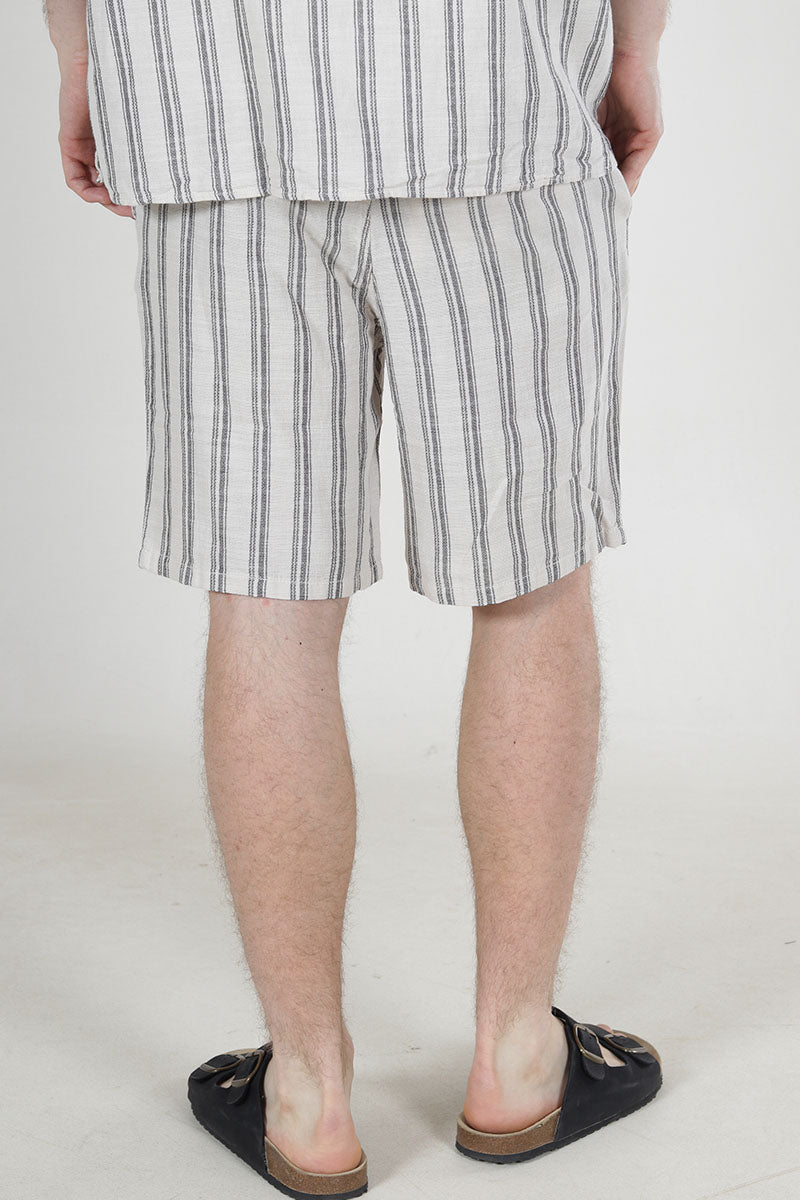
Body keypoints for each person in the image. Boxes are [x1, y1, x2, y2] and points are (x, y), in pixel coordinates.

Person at [46, 1, 667, 1194]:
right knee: (530, 581)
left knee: (264, 600)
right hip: (490, 95)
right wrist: (634, 45)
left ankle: (306, 1095)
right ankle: (517, 1059)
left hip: (213, 114)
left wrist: (82, 52)